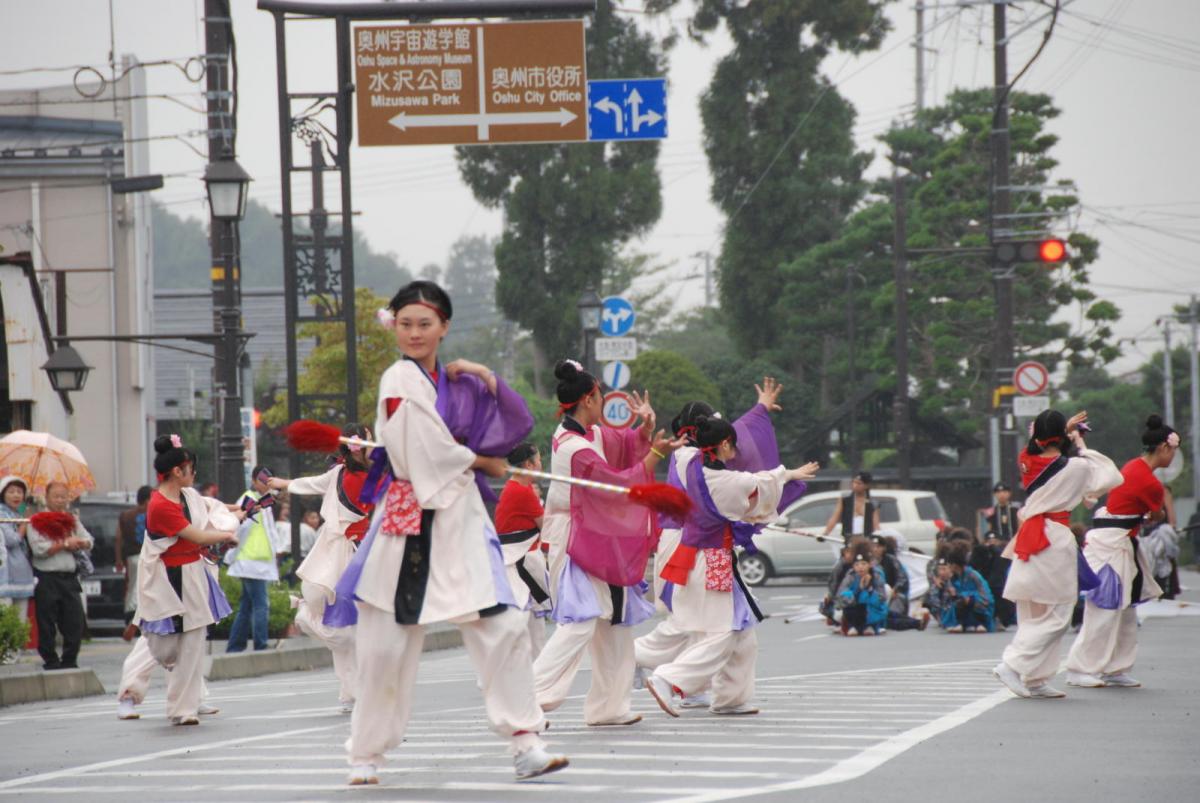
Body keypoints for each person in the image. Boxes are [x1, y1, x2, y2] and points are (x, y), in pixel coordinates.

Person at [326, 280, 565, 785]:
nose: (414, 333)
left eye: (425, 324)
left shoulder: (458, 382)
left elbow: (515, 421)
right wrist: (480, 461)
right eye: (406, 323)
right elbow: (420, 449)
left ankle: (526, 740)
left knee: (503, 627)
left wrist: (483, 374)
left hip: (459, 516)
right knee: (384, 646)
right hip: (407, 518)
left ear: (444, 328)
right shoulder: (397, 379)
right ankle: (366, 753)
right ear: (395, 326)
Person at [645, 413, 817, 717]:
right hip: (714, 560)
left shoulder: (686, 463)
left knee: (743, 633)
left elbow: (758, 481)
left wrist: (783, 475)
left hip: (696, 556)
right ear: (723, 444)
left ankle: (731, 698)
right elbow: (763, 485)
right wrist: (790, 474)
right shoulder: (729, 481)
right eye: (732, 446)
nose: (735, 453)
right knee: (723, 634)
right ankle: (669, 679)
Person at [533, 360, 674, 728]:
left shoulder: (589, 435)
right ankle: (528, 699)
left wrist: (643, 430)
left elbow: (624, 444)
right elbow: (614, 484)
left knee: (615, 622)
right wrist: (654, 455)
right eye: (597, 396)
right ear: (588, 399)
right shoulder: (571, 447)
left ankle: (609, 707)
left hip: (596, 532)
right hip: (574, 534)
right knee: (582, 619)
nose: (602, 402)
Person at [993, 409, 1122, 700]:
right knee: (1059, 611)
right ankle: (1012, 665)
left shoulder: (1027, 460)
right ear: (1061, 436)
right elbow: (1109, 476)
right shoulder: (1075, 466)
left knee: (1033, 610)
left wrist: (1063, 433)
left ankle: (1035, 678)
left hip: (1030, 535)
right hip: (1054, 538)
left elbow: (1036, 446)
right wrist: (1078, 441)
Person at [267, 425, 376, 712]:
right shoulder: (341, 475)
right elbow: (309, 483)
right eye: (367, 438)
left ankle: (351, 693)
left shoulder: (367, 471)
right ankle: (305, 614)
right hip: (337, 549)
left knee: (351, 625)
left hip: (360, 550)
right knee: (342, 624)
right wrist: (279, 482)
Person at [132, 434, 239, 724]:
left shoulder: (187, 495)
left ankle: (183, 709)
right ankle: (149, 690)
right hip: (166, 576)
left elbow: (211, 508)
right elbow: (199, 534)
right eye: (191, 468)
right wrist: (227, 534)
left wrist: (237, 512)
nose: (194, 474)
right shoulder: (161, 505)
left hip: (193, 572)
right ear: (177, 471)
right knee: (163, 647)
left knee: (193, 643)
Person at [1066, 415, 1176, 689]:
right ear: (1163, 448)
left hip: (1119, 542)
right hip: (1110, 545)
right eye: (1173, 449)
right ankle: (1080, 668)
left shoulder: (1133, 466)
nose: (1174, 455)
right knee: (1104, 608)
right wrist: (1155, 512)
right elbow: (1156, 515)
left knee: (1125, 610)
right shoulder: (1150, 482)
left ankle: (1116, 667)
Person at [26, 482, 93, 670]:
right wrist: (64, 544)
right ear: (47, 498)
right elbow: (39, 549)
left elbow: (88, 540)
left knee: (74, 621)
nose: (60, 500)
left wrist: (79, 543)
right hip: (46, 578)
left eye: (64, 496)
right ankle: (51, 659)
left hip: (69, 578)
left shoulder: (71, 520)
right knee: (46, 622)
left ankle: (70, 659)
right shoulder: (37, 520)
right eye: (56, 496)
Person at [493, 442, 551, 657]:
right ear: (528, 464)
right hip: (520, 563)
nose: (541, 466)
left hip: (520, 561)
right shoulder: (522, 491)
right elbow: (546, 527)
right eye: (539, 462)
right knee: (527, 627)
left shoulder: (516, 487)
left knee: (531, 627)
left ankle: (535, 678)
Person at [224, 466, 279, 653]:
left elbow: (269, 532)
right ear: (254, 480)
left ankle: (235, 647)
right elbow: (239, 527)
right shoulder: (250, 499)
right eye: (263, 480)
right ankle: (261, 646)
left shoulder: (263, 501)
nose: (267, 484)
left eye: (269, 481)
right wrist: (230, 555)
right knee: (261, 605)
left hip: (255, 562)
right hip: (251, 562)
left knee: (247, 606)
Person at [928, 545, 994, 632]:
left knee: (965, 600)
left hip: (980, 606)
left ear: (954, 565)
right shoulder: (953, 578)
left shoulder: (973, 575)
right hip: (961, 605)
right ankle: (960, 623)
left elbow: (986, 597)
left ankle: (979, 623)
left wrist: (968, 597)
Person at [871, 535, 927, 631]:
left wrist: (895, 589)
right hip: (873, 597)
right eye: (873, 546)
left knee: (892, 613)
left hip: (893, 595)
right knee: (884, 617)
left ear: (884, 548)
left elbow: (902, 579)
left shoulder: (891, 560)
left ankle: (917, 623)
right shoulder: (867, 562)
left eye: (878, 546)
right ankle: (916, 623)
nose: (875, 549)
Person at [116, 486, 153, 626]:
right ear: (147, 499)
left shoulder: (125, 515)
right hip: (149, 555)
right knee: (146, 585)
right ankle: (137, 614)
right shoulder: (152, 514)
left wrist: (119, 558)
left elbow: (118, 538)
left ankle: (130, 613)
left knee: (132, 584)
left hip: (131, 556)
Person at [0, 476, 35, 622]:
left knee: (20, 624)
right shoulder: (2, 514)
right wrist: (24, 524)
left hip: (22, 576)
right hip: (6, 576)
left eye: (20, 492)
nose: (16, 495)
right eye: (11, 491)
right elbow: (11, 540)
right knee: (7, 623)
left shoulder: (19, 514)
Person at [970, 530, 1016, 630]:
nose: (992, 544)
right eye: (989, 541)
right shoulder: (980, 554)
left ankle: (1000, 619)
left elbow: (1000, 572)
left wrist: (996, 552)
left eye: (995, 541)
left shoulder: (1003, 556)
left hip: (999, 587)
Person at [836, 551, 888, 636]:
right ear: (853, 566)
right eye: (857, 565)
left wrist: (869, 590)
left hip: (872, 609)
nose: (860, 567)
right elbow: (841, 595)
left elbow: (882, 598)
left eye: (863, 564)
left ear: (870, 564)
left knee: (868, 595)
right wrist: (858, 590)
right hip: (854, 609)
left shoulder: (876, 576)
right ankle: (852, 626)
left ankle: (871, 625)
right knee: (848, 597)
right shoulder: (850, 576)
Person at [824, 471, 881, 540]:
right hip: (849, 537)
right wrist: (825, 533)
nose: (855, 485)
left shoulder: (872, 503)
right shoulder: (845, 499)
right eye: (854, 482)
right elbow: (835, 517)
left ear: (867, 485)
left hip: (866, 539)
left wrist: (878, 538)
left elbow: (876, 524)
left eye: (859, 483)